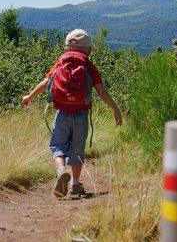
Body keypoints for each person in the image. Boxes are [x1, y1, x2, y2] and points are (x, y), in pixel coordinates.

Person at [21, 29, 122, 198]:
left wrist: (29, 97)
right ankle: (75, 184)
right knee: (77, 148)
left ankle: (61, 171)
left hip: (61, 112)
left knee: (58, 145)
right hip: (81, 114)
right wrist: (115, 109)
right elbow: (101, 91)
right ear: (88, 50)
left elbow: (46, 83)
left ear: (67, 47)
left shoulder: (61, 61)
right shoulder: (88, 65)